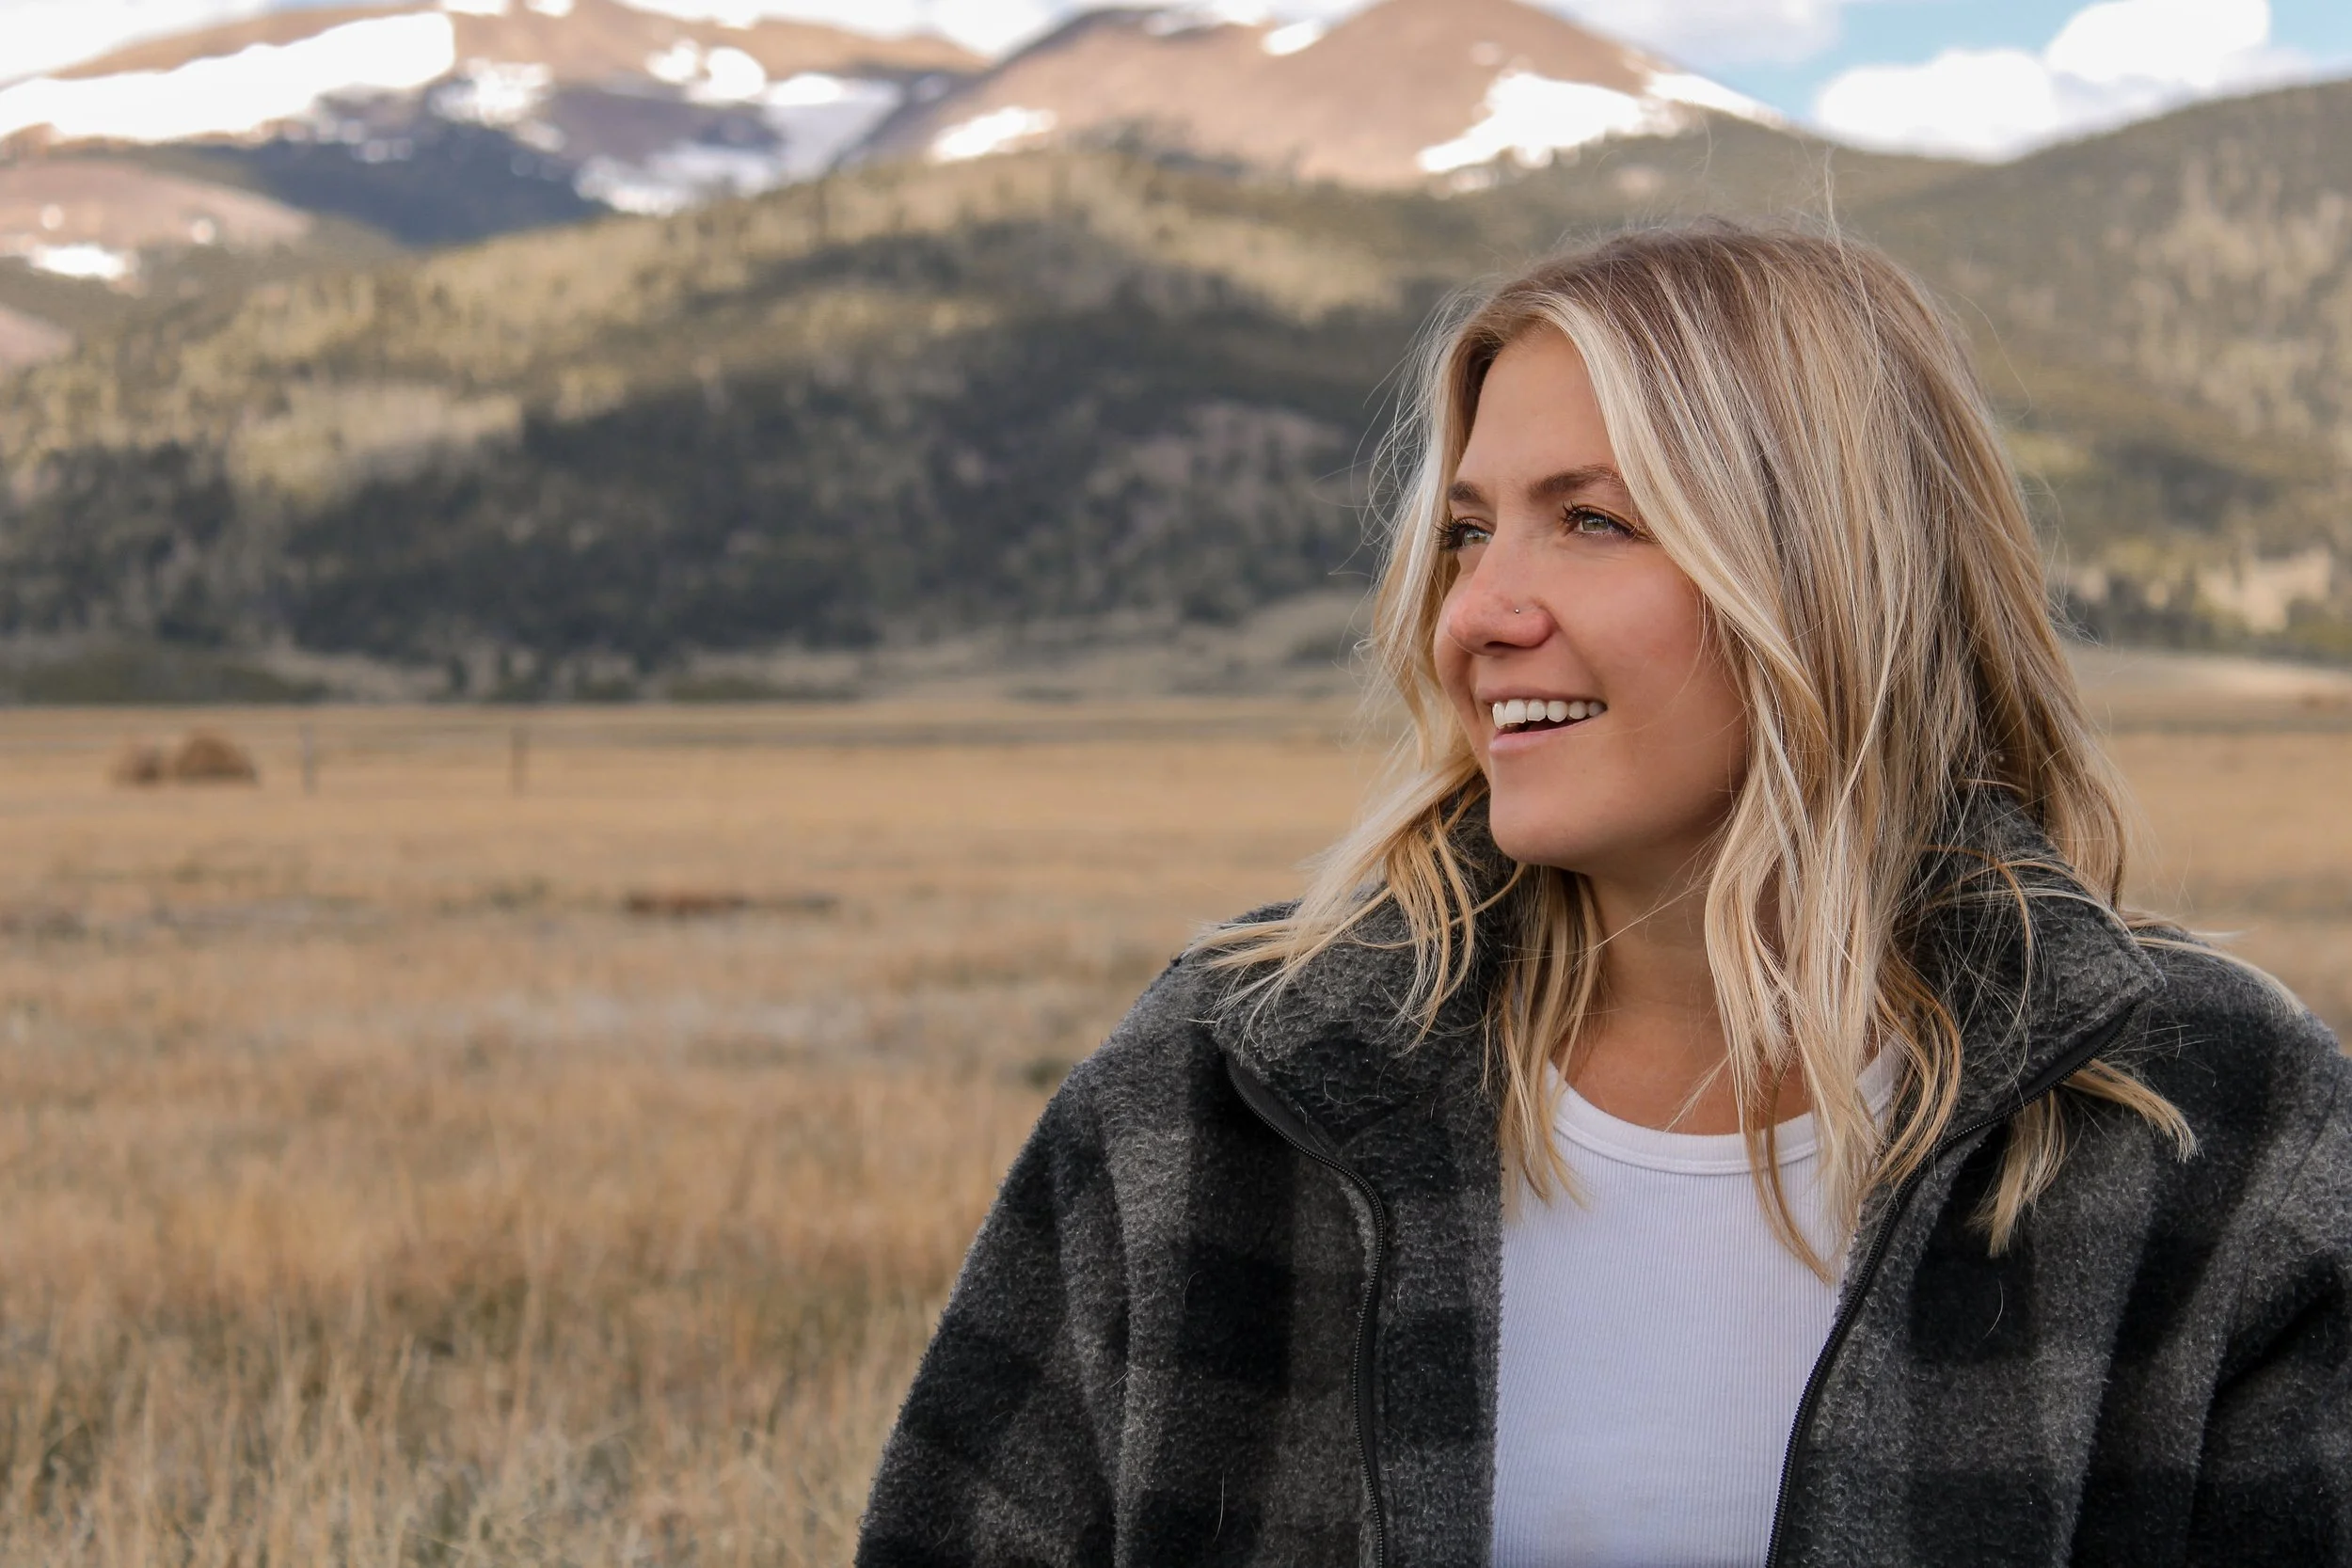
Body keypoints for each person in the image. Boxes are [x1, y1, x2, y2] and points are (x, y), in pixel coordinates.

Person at [852, 223, 2352, 1567]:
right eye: (1467, 529)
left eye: (1593, 519)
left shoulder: (2212, 1120)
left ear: (1835, 572)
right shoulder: (1225, 1092)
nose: (1481, 616)